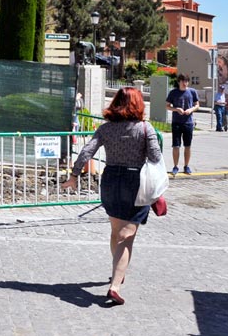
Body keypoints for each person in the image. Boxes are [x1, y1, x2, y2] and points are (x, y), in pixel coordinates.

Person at [62, 87, 161, 306]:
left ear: (115, 103)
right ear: (139, 104)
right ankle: (115, 285)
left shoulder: (106, 129)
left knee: (116, 230)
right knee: (127, 236)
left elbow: (87, 151)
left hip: (110, 180)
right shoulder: (146, 128)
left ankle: (118, 269)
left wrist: (74, 175)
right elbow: (155, 157)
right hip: (135, 182)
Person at [166, 74, 199, 174]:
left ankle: (186, 166)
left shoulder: (192, 92)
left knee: (187, 146)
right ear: (179, 82)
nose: (185, 83)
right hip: (176, 122)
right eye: (183, 81)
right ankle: (175, 166)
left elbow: (197, 105)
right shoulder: (173, 93)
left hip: (188, 122)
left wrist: (191, 109)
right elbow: (167, 106)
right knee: (176, 146)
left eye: (186, 81)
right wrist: (176, 109)